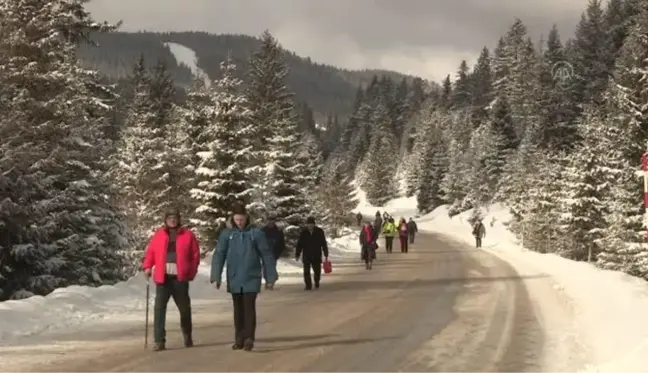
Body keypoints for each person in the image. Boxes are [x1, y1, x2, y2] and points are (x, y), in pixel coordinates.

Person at [211, 205, 278, 351]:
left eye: (242, 219)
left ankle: (249, 338)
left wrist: (270, 277)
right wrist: (216, 276)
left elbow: (267, 255)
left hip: (251, 276)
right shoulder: (227, 234)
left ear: (247, 218)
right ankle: (239, 338)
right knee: (238, 308)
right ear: (232, 219)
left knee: (249, 307)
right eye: (237, 219)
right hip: (234, 277)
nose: (239, 222)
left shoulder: (256, 234)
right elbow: (219, 255)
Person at [142, 208, 200, 351]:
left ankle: (187, 334)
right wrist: (147, 266)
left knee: (184, 309)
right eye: (170, 218)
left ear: (179, 219)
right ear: (166, 220)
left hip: (180, 278)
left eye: (175, 217)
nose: (172, 220)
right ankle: (159, 340)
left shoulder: (188, 235)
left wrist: (190, 273)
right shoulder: (159, 235)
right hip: (163, 278)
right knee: (159, 309)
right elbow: (151, 252)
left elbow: (195, 256)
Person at [295, 216, 329, 290]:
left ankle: (316, 281)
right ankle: (308, 285)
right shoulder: (304, 232)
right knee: (306, 271)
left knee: (317, 270)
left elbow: (323, 243)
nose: (310, 225)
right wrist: (297, 254)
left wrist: (326, 252)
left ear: (314, 224)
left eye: (311, 224)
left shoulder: (319, 232)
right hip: (306, 254)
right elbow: (299, 244)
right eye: (309, 224)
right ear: (307, 224)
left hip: (316, 254)